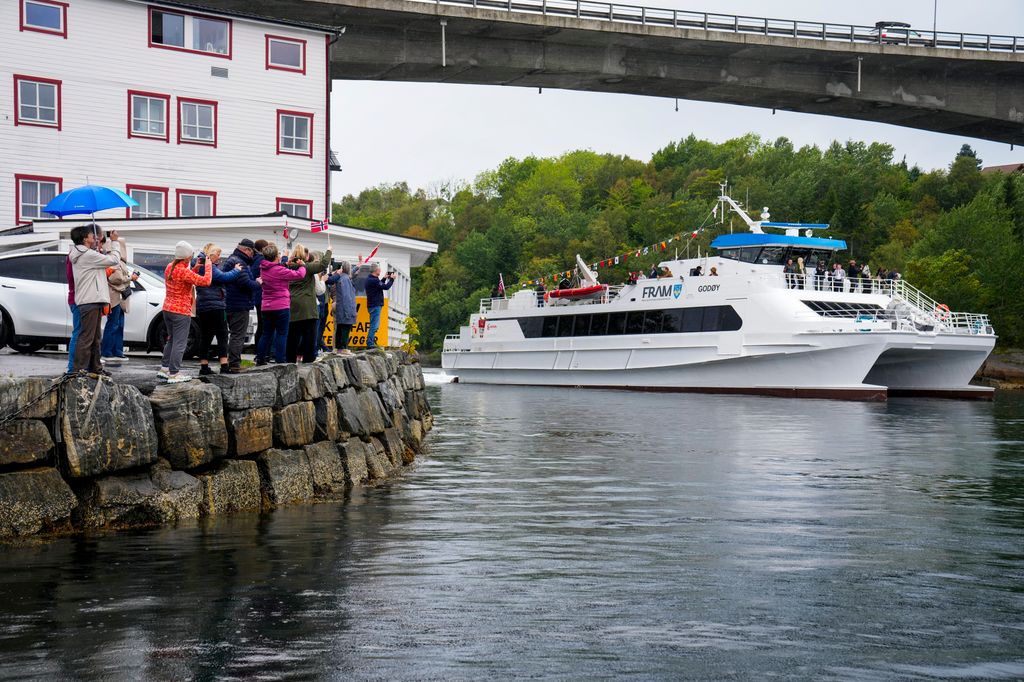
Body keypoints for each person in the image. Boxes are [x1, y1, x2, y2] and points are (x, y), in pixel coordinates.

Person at [68, 224, 123, 375]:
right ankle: (77, 370)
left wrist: (98, 249)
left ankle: (95, 368)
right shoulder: (87, 255)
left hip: (90, 299)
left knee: (94, 338)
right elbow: (114, 260)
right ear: (85, 238)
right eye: (92, 236)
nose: (95, 237)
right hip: (90, 300)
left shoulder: (83, 253)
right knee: (87, 337)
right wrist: (115, 242)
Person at [159, 241, 213, 383]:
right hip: (180, 311)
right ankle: (174, 373)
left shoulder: (170, 266)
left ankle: (165, 368)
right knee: (180, 343)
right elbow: (206, 281)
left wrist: (194, 269)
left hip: (168, 309)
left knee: (171, 339)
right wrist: (208, 267)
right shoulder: (183, 271)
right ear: (187, 257)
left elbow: (183, 279)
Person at [194, 243, 245, 375]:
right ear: (211, 254)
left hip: (203, 306)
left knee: (206, 336)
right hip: (215, 305)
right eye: (218, 254)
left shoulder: (199, 265)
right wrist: (237, 270)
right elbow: (224, 277)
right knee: (222, 334)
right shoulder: (208, 265)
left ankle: (204, 367)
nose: (219, 258)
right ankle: (224, 365)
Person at [255, 243, 306, 365]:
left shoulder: (263, 268)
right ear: (275, 256)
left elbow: (275, 269)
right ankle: (280, 361)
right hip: (281, 306)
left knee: (266, 333)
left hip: (266, 306)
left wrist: (284, 263)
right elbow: (300, 275)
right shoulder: (279, 270)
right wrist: (302, 266)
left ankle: (260, 359)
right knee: (282, 334)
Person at [286, 245, 332, 363]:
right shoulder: (306, 267)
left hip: (292, 304)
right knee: (309, 335)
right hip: (307, 306)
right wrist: (329, 251)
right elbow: (323, 265)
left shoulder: (288, 267)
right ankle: (308, 359)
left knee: (293, 335)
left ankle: (290, 361)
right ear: (305, 256)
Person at [221, 238, 259, 374]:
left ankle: (229, 362)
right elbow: (246, 284)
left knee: (232, 334)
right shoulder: (239, 262)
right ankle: (234, 364)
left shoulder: (232, 259)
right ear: (246, 250)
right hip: (238, 304)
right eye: (252, 252)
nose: (252, 255)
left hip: (230, 303)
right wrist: (258, 282)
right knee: (238, 335)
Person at [99, 232, 137, 365]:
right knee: (113, 324)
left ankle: (117, 350)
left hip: (119, 296)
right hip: (114, 296)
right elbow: (116, 278)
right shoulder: (111, 259)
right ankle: (107, 351)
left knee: (119, 324)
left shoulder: (117, 260)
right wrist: (130, 278)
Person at [327, 261, 357, 354]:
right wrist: (350, 311)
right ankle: (342, 348)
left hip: (340, 306)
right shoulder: (345, 279)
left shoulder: (340, 278)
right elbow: (347, 296)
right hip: (345, 307)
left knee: (339, 327)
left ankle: (338, 348)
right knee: (345, 328)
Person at [364, 263, 394, 349]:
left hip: (372, 305)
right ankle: (369, 344)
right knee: (374, 326)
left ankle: (371, 342)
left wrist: (384, 278)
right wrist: (392, 279)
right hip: (375, 305)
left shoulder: (371, 279)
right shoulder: (373, 280)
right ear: (375, 270)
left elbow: (379, 285)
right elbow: (385, 287)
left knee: (374, 325)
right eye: (379, 269)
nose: (380, 270)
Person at [250, 239, 268, 350]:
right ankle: (261, 351)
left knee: (261, 325)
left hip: (257, 296)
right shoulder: (261, 260)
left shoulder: (254, 259)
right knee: (264, 326)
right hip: (262, 295)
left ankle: (259, 350)